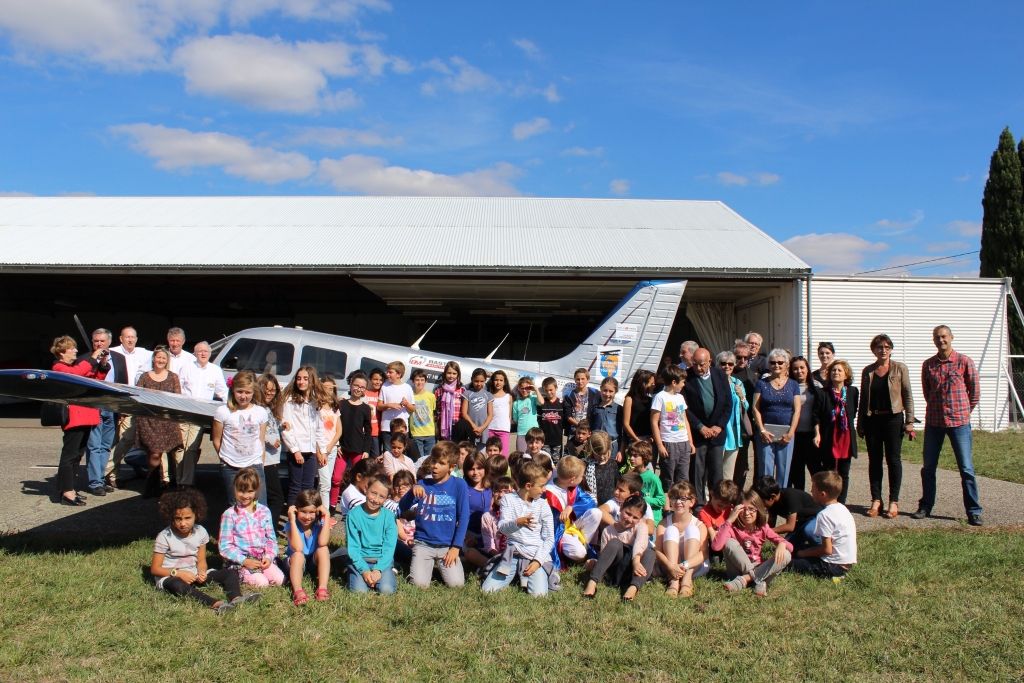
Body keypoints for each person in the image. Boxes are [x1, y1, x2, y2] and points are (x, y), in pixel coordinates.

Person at [914, 325, 983, 526]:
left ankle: (973, 511)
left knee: (966, 468)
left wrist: (963, 411)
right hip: (934, 422)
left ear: (951, 337)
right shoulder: (928, 365)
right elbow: (928, 393)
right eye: (937, 337)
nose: (941, 340)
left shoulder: (964, 361)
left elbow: (975, 391)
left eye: (944, 336)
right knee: (928, 467)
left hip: (959, 423)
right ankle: (925, 506)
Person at [150, 489, 258, 615]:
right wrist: (177, 573)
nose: (183, 523)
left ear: (196, 514)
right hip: (171, 576)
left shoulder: (200, 532)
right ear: (170, 517)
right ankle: (216, 604)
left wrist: (202, 572)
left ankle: (236, 598)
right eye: (178, 518)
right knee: (177, 585)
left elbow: (201, 561)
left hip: (193, 573)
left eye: (187, 518)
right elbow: (155, 569)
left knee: (230, 574)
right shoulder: (164, 536)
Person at [859, 333, 917, 520]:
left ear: (891, 349)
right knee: (874, 460)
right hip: (872, 419)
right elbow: (863, 400)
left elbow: (907, 395)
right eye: (879, 347)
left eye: (886, 347)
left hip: (893, 419)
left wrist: (909, 421)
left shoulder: (900, 368)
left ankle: (894, 501)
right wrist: (860, 423)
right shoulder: (868, 371)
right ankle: (876, 499)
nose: (883, 350)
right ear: (873, 350)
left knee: (893, 460)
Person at [398, 441, 470, 588]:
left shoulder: (459, 485)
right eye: (433, 461)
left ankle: (438, 569)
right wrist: (412, 491)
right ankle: (425, 567)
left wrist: (456, 547)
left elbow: (463, 517)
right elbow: (403, 507)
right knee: (419, 585)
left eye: (441, 463)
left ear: (452, 467)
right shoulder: (423, 484)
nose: (435, 466)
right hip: (423, 543)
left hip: (447, 545)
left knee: (457, 584)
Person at [50, 335, 109, 506]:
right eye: (72, 348)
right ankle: (66, 492)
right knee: (69, 455)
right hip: (74, 417)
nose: (76, 350)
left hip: (86, 415)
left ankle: (69, 489)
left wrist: (102, 363)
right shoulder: (59, 367)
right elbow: (77, 373)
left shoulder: (75, 366)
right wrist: (93, 357)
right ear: (62, 353)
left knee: (77, 455)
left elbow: (96, 378)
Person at [481, 461, 555, 597]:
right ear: (528, 486)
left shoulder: (543, 506)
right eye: (542, 486)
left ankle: (527, 574)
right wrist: (517, 523)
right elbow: (502, 528)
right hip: (513, 554)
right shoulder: (508, 500)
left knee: (539, 595)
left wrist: (538, 562)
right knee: (487, 590)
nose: (544, 490)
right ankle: (512, 572)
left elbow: (549, 538)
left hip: (534, 556)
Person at [711, 490, 792, 596]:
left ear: (758, 510)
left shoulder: (762, 527)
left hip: (757, 566)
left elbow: (790, 548)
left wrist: (782, 544)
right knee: (729, 542)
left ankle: (745, 580)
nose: (746, 513)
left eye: (751, 509)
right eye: (742, 509)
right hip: (736, 570)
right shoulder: (731, 527)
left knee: (786, 554)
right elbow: (716, 547)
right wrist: (729, 521)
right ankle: (758, 581)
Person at [174, 340, 228, 490]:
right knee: (180, 447)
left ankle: (186, 482)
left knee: (191, 448)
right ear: (195, 353)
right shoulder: (186, 368)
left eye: (206, 351)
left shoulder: (215, 370)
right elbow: (179, 388)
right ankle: (178, 479)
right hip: (184, 411)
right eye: (200, 351)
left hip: (201, 414)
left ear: (210, 354)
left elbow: (222, 392)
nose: (203, 353)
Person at [218, 467, 284, 588]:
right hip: (241, 561)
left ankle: (266, 569)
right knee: (262, 583)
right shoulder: (230, 514)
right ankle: (239, 573)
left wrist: (268, 557)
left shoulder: (264, 511)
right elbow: (224, 546)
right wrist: (244, 561)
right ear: (235, 489)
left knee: (279, 579)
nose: (245, 496)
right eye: (241, 491)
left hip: (261, 558)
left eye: (250, 491)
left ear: (256, 490)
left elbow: (271, 540)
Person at [582, 494, 655, 602]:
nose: (630, 519)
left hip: (633, 570)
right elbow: (605, 555)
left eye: (635, 518)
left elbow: (640, 543)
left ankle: (633, 587)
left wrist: (636, 562)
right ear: (621, 509)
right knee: (615, 543)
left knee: (650, 553)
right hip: (615, 570)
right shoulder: (608, 531)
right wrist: (595, 562)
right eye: (628, 513)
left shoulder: (641, 527)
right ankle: (592, 582)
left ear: (640, 519)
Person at [212, 370, 269, 507]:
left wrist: (261, 461)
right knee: (235, 505)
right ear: (233, 390)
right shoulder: (223, 411)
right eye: (240, 392)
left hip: (254, 464)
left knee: (259, 505)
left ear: (253, 392)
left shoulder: (260, 412)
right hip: (230, 466)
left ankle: (259, 529)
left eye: (247, 392)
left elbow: (261, 439)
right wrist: (225, 458)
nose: (243, 396)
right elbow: (216, 439)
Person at [683, 348, 732, 506]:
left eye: (702, 365)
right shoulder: (687, 377)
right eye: (695, 364)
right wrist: (700, 427)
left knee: (716, 472)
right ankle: (698, 505)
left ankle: (716, 505)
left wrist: (718, 426)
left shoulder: (720, 376)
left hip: (717, 434)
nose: (698, 368)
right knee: (697, 471)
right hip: (698, 434)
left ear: (710, 362)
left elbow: (727, 404)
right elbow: (684, 408)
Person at [106, 326, 153, 486]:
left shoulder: (143, 353)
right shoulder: (112, 353)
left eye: (133, 337)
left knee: (127, 438)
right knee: (115, 440)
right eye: (127, 337)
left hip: (136, 402)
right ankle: (112, 475)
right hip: (118, 401)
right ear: (121, 338)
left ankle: (108, 470)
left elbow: (165, 356)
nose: (130, 340)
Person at [135, 346, 183, 498]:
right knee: (152, 453)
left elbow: (178, 398)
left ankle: (153, 484)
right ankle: (154, 485)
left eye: (164, 358)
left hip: (166, 421)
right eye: (158, 357)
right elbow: (138, 395)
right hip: (148, 420)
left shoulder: (173, 377)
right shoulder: (144, 377)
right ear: (154, 359)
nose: (161, 360)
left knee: (157, 453)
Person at [791, 471, 857, 578]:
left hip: (832, 566)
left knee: (789, 563)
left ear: (823, 494)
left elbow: (826, 550)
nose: (811, 490)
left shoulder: (824, 515)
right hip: (846, 563)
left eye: (813, 488)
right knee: (799, 548)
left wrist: (805, 553)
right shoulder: (842, 508)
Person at [752, 349, 802, 489]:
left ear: (787, 364)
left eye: (780, 362)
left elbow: (797, 409)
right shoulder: (762, 384)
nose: (777, 365)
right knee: (765, 470)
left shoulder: (793, 384)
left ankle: (780, 502)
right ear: (769, 364)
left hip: (786, 433)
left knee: (783, 470)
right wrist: (761, 430)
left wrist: (791, 433)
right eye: (773, 362)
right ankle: (765, 501)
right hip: (765, 434)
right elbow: (755, 408)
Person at [281, 366, 329, 506]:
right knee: (295, 487)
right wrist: (295, 450)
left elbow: (319, 428)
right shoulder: (289, 400)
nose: (301, 382)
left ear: (312, 381)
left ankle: (306, 519)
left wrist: (323, 451)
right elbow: (286, 427)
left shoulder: (315, 401)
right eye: (298, 378)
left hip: (311, 450)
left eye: (305, 379)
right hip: (297, 449)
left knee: (308, 486)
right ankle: (293, 520)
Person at [543, 455, 601, 568]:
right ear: (572, 479)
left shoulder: (572, 487)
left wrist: (572, 507)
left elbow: (589, 501)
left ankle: (584, 543)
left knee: (596, 513)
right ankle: (573, 550)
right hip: (558, 531)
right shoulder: (549, 493)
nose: (583, 478)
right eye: (581, 476)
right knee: (579, 554)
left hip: (571, 525)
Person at [655, 481, 710, 598]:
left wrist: (684, 565)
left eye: (683, 499)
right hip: (670, 565)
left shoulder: (699, 524)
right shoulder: (663, 523)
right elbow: (658, 552)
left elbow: (704, 553)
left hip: (692, 565)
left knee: (692, 529)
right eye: (674, 498)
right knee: (671, 529)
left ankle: (686, 580)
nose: (678, 502)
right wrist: (670, 567)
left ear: (692, 502)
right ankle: (674, 581)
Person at [346, 475, 399, 594]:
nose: (375, 500)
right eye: (373, 493)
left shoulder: (389, 517)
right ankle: (352, 570)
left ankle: (387, 572)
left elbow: (389, 547)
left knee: (387, 590)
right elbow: (353, 547)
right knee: (359, 591)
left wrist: (378, 570)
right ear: (366, 489)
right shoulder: (353, 515)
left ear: (387, 499)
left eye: (381, 497)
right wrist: (364, 570)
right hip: (360, 559)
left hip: (381, 560)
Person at [817, 360, 859, 505]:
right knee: (829, 472)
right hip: (830, 436)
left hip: (845, 435)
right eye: (834, 370)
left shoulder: (852, 392)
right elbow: (816, 416)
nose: (836, 373)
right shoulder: (822, 393)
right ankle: (829, 502)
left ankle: (841, 502)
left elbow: (853, 412)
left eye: (839, 370)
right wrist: (817, 434)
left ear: (846, 374)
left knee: (844, 472)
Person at [85, 328, 117, 496]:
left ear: (109, 342)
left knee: (106, 446)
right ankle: (94, 482)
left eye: (102, 341)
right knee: (94, 446)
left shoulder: (118, 359)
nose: (99, 344)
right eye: (96, 341)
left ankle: (101, 478)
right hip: (94, 407)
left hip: (111, 406)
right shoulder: (86, 359)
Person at [284, 490, 332, 604]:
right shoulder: (291, 526)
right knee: (298, 555)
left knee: (323, 549)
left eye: (311, 512)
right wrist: (292, 520)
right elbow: (298, 548)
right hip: (294, 564)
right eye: (303, 512)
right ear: (296, 511)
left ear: (317, 512)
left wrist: (327, 516)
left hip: (311, 563)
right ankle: (298, 591)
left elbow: (323, 542)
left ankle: (322, 588)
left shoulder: (318, 525)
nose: (307, 516)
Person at [752, 475, 823, 551]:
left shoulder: (790, 496)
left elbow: (790, 526)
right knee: (787, 546)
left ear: (773, 496)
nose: (759, 505)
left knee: (809, 530)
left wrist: (765, 531)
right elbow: (770, 524)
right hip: (801, 523)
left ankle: (822, 549)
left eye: (761, 502)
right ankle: (805, 550)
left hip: (816, 518)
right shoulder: (772, 504)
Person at [650, 364, 690, 491]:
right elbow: (654, 422)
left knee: (683, 478)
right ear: (674, 382)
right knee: (667, 478)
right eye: (682, 382)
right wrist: (660, 445)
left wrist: (690, 441)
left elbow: (685, 420)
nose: (684, 385)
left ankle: (681, 504)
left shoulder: (680, 397)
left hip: (683, 442)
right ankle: (666, 507)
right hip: (668, 442)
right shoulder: (660, 397)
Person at [333, 370, 372, 497]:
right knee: (336, 478)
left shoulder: (366, 408)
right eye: (356, 385)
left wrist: (366, 450)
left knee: (358, 478)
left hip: (358, 447)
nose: (358, 389)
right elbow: (335, 426)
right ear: (351, 384)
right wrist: (337, 444)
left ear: (365, 389)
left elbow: (368, 430)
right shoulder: (342, 403)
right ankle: (332, 504)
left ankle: (357, 502)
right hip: (342, 447)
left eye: (362, 387)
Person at [256, 373, 286, 530]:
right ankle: (270, 534)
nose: (270, 393)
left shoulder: (270, 409)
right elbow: (256, 430)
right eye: (266, 390)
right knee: (277, 499)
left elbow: (272, 427)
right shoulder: (257, 409)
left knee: (269, 498)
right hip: (264, 459)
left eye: (273, 390)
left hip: (272, 459)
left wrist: (282, 426)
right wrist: (269, 439)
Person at [789, 356, 822, 490]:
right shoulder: (788, 386)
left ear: (807, 369)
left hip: (811, 435)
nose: (799, 371)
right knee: (797, 471)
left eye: (802, 367)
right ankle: (799, 500)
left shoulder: (817, 386)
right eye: (795, 368)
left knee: (816, 470)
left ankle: (820, 499)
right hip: (794, 434)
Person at [716, 350, 749, 483]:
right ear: (718, 365)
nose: (727, 366)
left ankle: (725, 500)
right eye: (723, 363)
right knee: (714, 470)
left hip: (734, 431)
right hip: (718, 430)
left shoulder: (738, 383)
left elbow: (746, 406)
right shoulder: (713, 381)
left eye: (730, 364)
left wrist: (741, 396)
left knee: (728, 472)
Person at [730, 341, 758, 488]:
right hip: (728, 424)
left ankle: (738, 491)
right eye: (739, 357)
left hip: (744, 424)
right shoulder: (725, 372)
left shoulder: (752, 377)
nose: (742, 361)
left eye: (745, 358)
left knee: (742, 461)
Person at [462, 450, 493, 570]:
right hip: (468, 533)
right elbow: (456, 516)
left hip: (488, 532)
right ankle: (492, 567)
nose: (475, 472)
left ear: (485, 468)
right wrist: (466, 537)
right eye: (471, 469)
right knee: (471, 553)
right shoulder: (464, 489)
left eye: (479, 468)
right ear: (465, 470)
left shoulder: (491, 488)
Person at [317, 375, 343, 513]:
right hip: (321, 450)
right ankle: (324, 515)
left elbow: (339, 430)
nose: (327, 391)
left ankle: (318, 510)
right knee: (325, 483)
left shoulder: (334, 408)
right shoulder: (316, 408)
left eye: (330, 388)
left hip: (331, 449)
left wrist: (332, 446)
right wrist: (322, 449)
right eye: (325, 388)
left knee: (323, 483)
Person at [626, 440, 665, 524]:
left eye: (635, 456)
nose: (631, 458)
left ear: (644, 457)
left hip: (651, 521)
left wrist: (644, 500)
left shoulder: (653, 478)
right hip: (634, 519)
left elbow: (661, 500)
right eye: (631, 455)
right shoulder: (630, 475)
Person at [622, 369, 655, 466]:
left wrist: (651, 439)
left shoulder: (651, 400)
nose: (654, 385)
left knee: (649, 469)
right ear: (643, 383)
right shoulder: (630, 399)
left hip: (649, 440)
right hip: (635, 439)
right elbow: (626, 423)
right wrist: (637, 440)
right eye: (651, 383)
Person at [379, 361, 414, 449]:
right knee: (388, 454)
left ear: (399, 374)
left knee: (402, 453)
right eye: (387, 372)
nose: (387, 374)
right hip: (387, 428)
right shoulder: (384, 386)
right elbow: (379, 406)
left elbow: (413, 408)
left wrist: (406, 404)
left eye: (390, 372)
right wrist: (389, 405)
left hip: (402, 429)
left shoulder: (407, 388)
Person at [480, 476, 517, 559]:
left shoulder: (519, 513)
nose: (501, 495)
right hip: (498, 556)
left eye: (506, 491)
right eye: (497, 491)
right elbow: (489, 545)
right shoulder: (487, 517)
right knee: (471, 553)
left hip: (517, 555)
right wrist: (500, 558)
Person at [588, 377, 623, 462]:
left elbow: (622, 432)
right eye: (605, 390)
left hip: (612, 446)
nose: (607, 394)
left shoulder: (618, 409)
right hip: (596, 446)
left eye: (611, 391)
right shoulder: (594, 408)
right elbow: (590, 428)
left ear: (616, 392)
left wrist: (621, 451)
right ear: (600, 389)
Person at [583, 431, 619, 507]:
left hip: (610, 505)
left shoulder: (612, 464)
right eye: (598, 454)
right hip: (592, 505)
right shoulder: (586, 465)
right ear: (592, 450)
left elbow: (617, 483)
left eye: (604, 453)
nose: (602, 457)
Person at [461, 368, 494, 450]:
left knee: (481, 458)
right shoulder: (467, 394)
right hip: (470, 430)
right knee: (469, 456)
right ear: (472, 380)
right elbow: (464, 413)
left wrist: (482, 428)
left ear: (485, 380)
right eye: (476, 381)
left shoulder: (488, 395)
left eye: (482, 381)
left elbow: (490, 414)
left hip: (483, 431)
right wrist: (474, 427)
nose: (479, 384)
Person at [564, 368, 600, 440]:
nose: (580, 381)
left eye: (583, 379)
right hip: (574, 431)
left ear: (588, 379)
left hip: (589, 432)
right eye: (578, 379)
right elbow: (568, 416)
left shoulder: (595, 393)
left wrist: (587, 428)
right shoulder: (569, 395)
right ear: (575, 380)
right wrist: (580, 427)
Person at [409, 369, 437, 457]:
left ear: (426, 381)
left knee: (429, 459)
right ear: (413, 381)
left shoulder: (431, 396)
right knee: (419, 459)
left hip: (430, 433)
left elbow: (433, 413)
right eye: (417, 380)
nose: (419, 382)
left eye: (422, 380)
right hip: (416, 433)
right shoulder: (410, 395)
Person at [434, 361, 465, 443]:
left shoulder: (462, 390)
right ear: (445, 374)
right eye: (449, 373)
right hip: (443, 425)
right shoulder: (439, 389)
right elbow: (436, 407)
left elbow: (465, 408)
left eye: (454, 373)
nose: (451, 376)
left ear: (458, 375)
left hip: (457, 423)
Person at [537, 377, 565, 462]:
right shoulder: (542, 403)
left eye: (551, 390)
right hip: (545, 441)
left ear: (556, 388)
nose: (549, 392)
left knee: (557, 463)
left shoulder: (561, 403)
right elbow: (539, 421)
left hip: (557, 441)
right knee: (546, 462)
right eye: (546, 390)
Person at [512, 376, 541, 452]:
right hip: (521, 433)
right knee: (521, 456)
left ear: (531, 388)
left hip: (534, 433)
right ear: (518, 388)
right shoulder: (516, 403)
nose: (524, 390)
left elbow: (541, 402)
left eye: (527, 388)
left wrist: (536, 389)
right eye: (522, 388)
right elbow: (515, 420)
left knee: (534, 456)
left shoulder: (533, 398)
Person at [487, 370, 513, 455]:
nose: (498, 382)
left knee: (503, 456)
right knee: (491, 455)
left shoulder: (508, 397)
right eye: (496, 380)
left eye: (501, 380)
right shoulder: (488, 395)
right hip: (491, 429)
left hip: (504, 430)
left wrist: (507, 427)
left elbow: (510, 415)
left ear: (505, 382)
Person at [364, 367, 384, 458]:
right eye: (375, 379)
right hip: (364, 432)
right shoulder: (364, 393)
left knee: (375, 458)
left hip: (377, 433)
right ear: (370, 379)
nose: (378, 382)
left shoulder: (382, 394)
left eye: (380, 380)